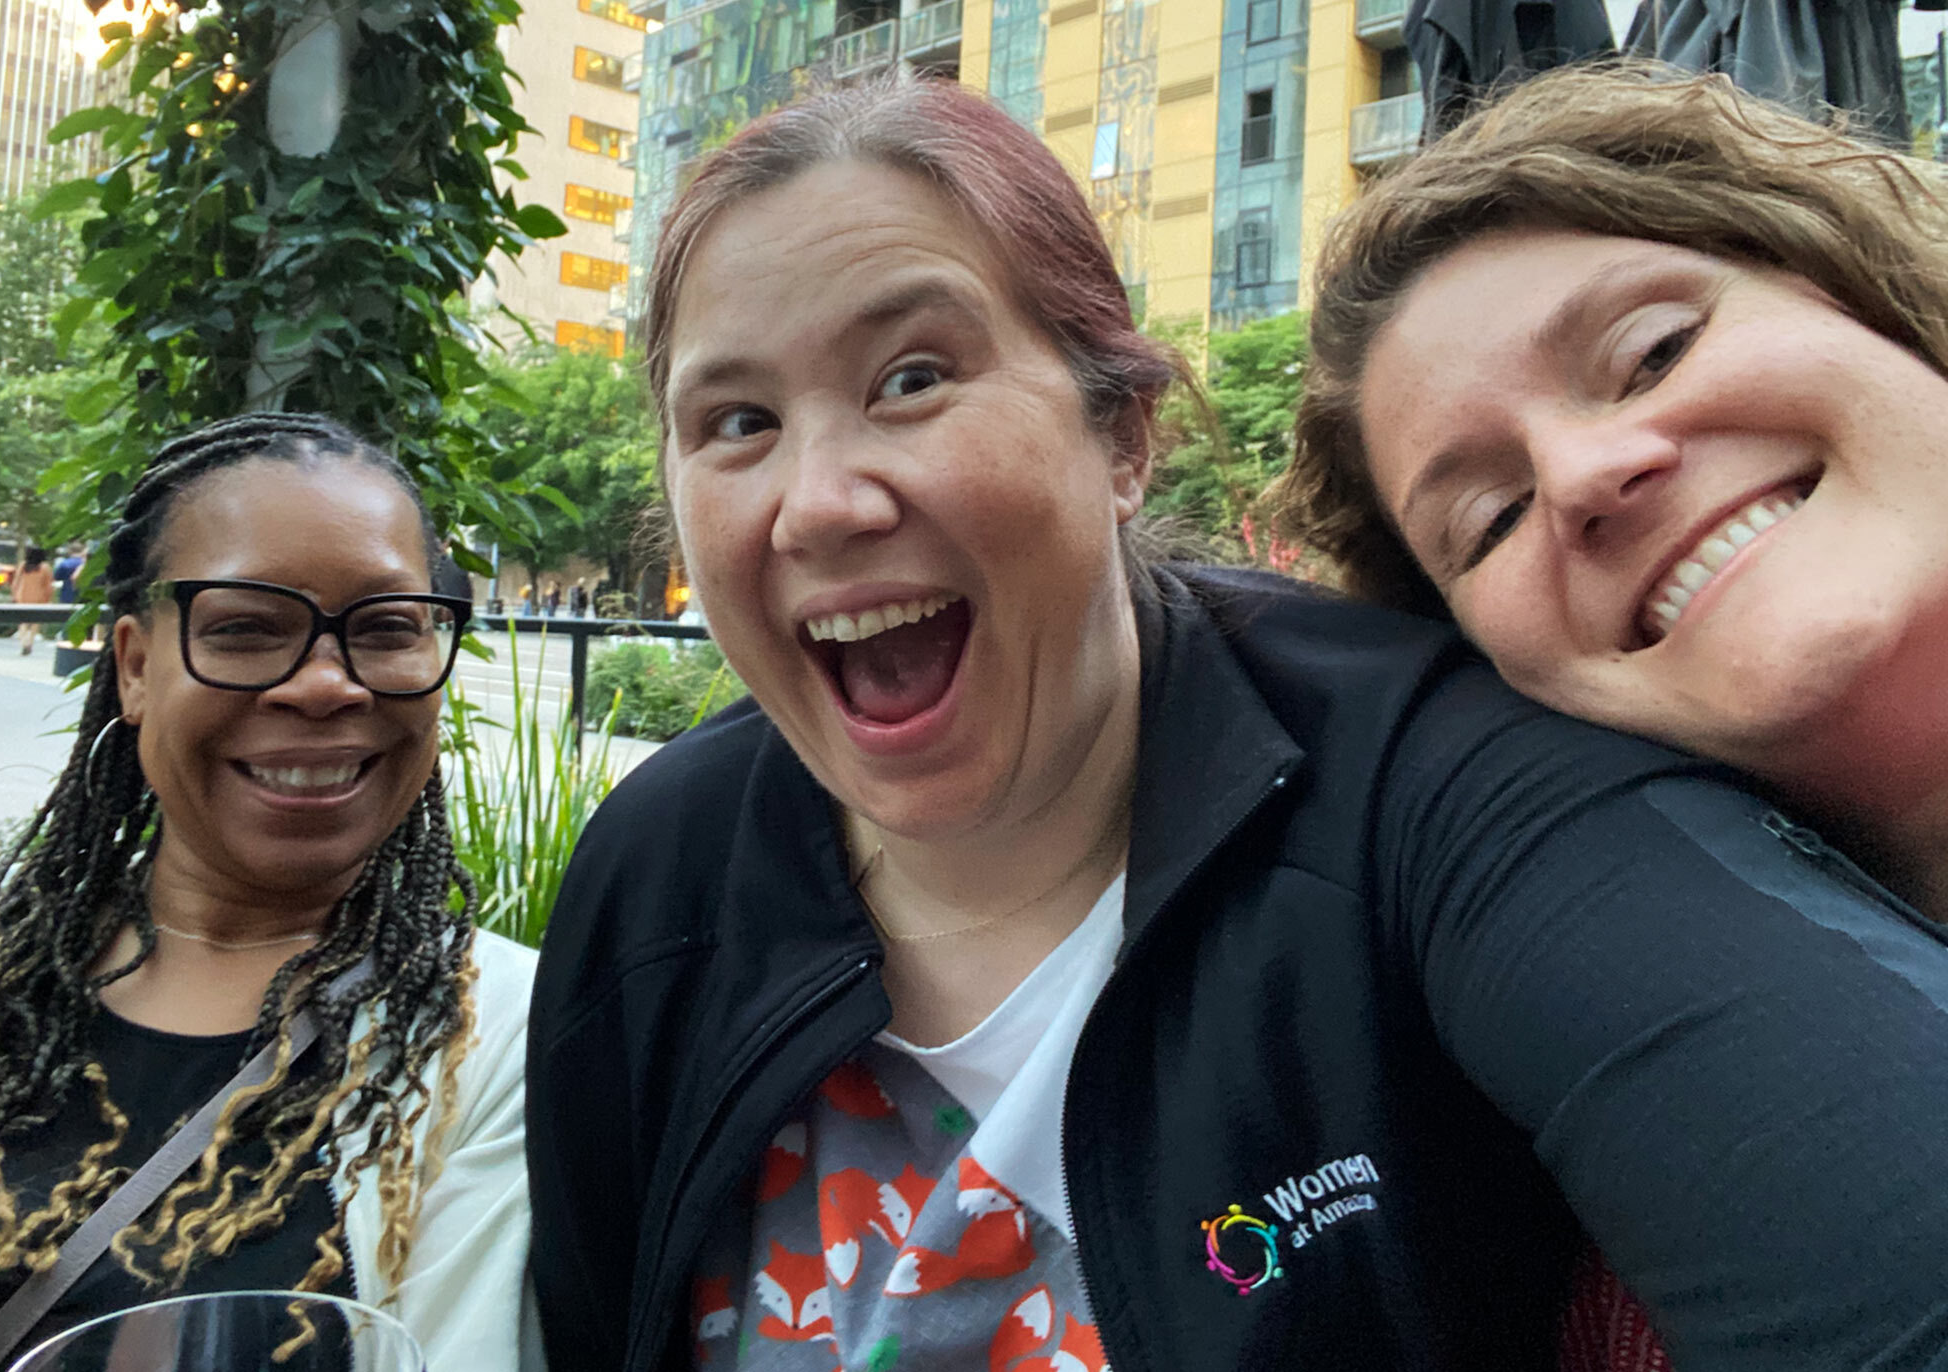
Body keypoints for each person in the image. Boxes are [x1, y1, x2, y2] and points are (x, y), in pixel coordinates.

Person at [526, 74, 1948, 1372]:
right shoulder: (657, 883)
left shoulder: (1431, 788)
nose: (820, 502)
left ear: (1122, 439)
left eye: (913, 379)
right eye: (736, 423)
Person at [1271, 62, 1948, 1369]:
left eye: (1652, 351)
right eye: (1490, 520)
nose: (1582, 474)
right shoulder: (1632, 1231)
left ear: (1870, 294)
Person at [0, 414, 539, 1372]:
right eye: (246, 629)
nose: (325, 685)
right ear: (135, 667)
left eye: (386, 628)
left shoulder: (508, 1042)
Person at [10, 545, 55, 654]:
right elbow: (48, 585)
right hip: (39, 598)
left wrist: (14, 595)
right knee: (35, 621)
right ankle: (30, 641)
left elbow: (16, 582)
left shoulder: (23, 566)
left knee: (23, 621)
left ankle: (24, 642)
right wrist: (48, 598)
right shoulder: (45, 568)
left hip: (22, 596)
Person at [53, 541, 88, 607]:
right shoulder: (86, 564)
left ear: (70, 551)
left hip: (67, 596)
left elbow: (57, 577)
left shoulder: (64, 564)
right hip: (83, 596)